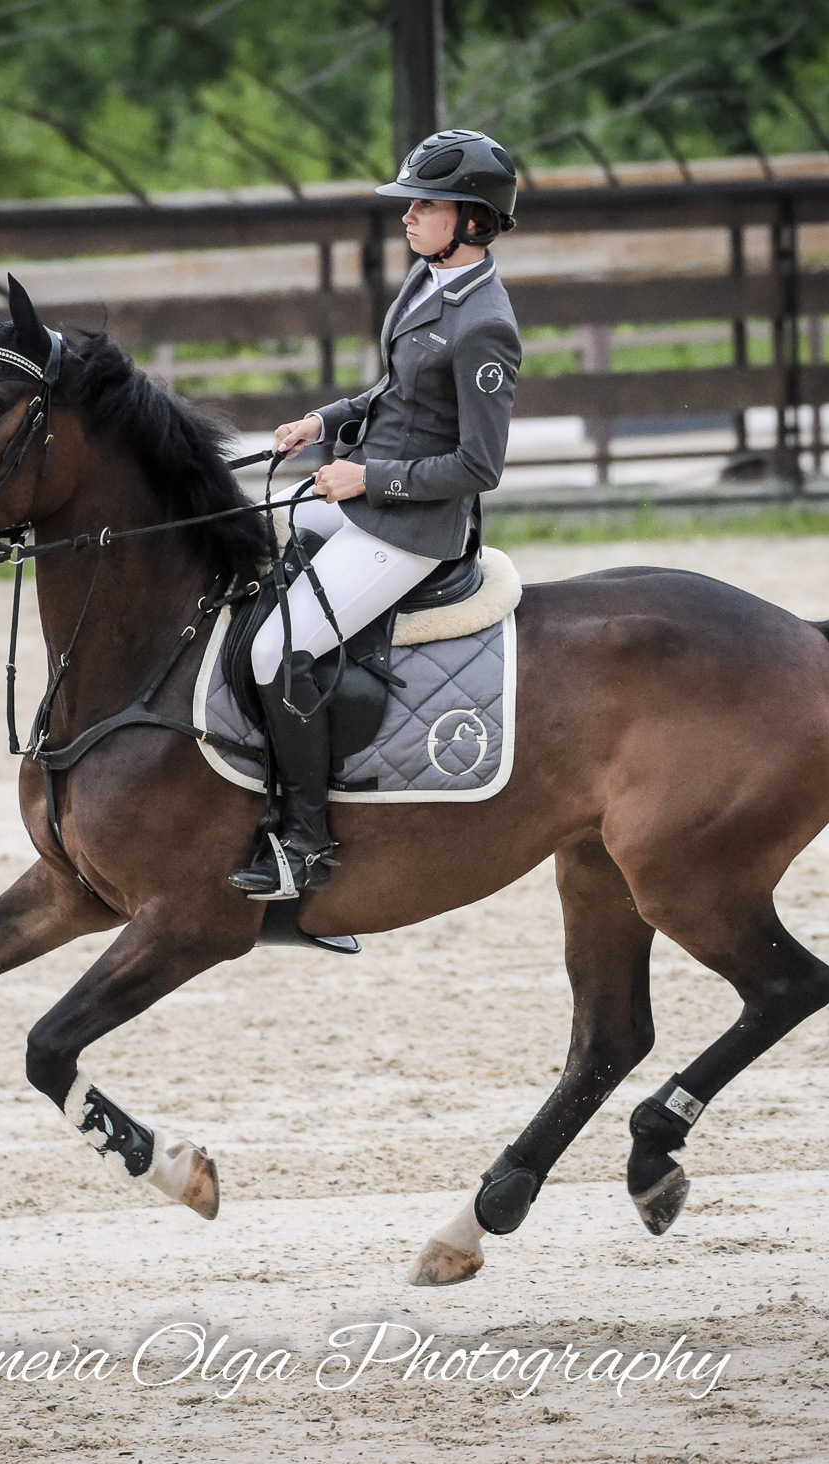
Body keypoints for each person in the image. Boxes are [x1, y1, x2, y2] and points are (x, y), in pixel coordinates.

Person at [226, 128, 523, 902]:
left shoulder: (485, 323)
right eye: (411, 204)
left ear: (473, 220)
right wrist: (320, 424)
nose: (408, 216)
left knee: (275, 652)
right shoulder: (427, 282)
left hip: (411, 530)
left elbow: (477, 466)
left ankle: (306, 842)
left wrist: (367, 478)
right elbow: (395, 393)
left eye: (425, 205)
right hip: (366, 499)